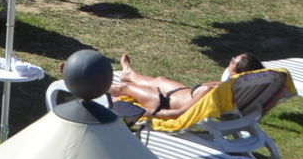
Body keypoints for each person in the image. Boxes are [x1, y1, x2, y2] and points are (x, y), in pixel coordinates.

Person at [111, 52, 264, 118]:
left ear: (237, 73)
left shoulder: (212, 90)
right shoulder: (234, 88)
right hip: (181, 92)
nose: (230, 60)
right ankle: (129, 74)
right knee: (158, 80)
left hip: (163, 102)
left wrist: (148, 113)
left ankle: (96, 85)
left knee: (124, 88)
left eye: (233, 61)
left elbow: (179, 113)